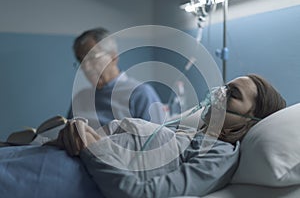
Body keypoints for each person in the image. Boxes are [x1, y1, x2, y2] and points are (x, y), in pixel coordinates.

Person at [49, 74, 286, 198]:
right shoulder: (188, 134)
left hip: (68, 177)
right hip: (58, 155)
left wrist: (92, 149)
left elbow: (143, 193)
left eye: (232, 94)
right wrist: (79, 130)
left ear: (251, 121)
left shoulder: (219, 153)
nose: (219, 94)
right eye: (224, 87)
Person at [68, 27, 165, 128]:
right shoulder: (80, 98)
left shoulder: (141, 94)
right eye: (81, 61)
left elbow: (159, 141)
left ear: (113, 57)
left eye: (92, 57)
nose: (86, 67)